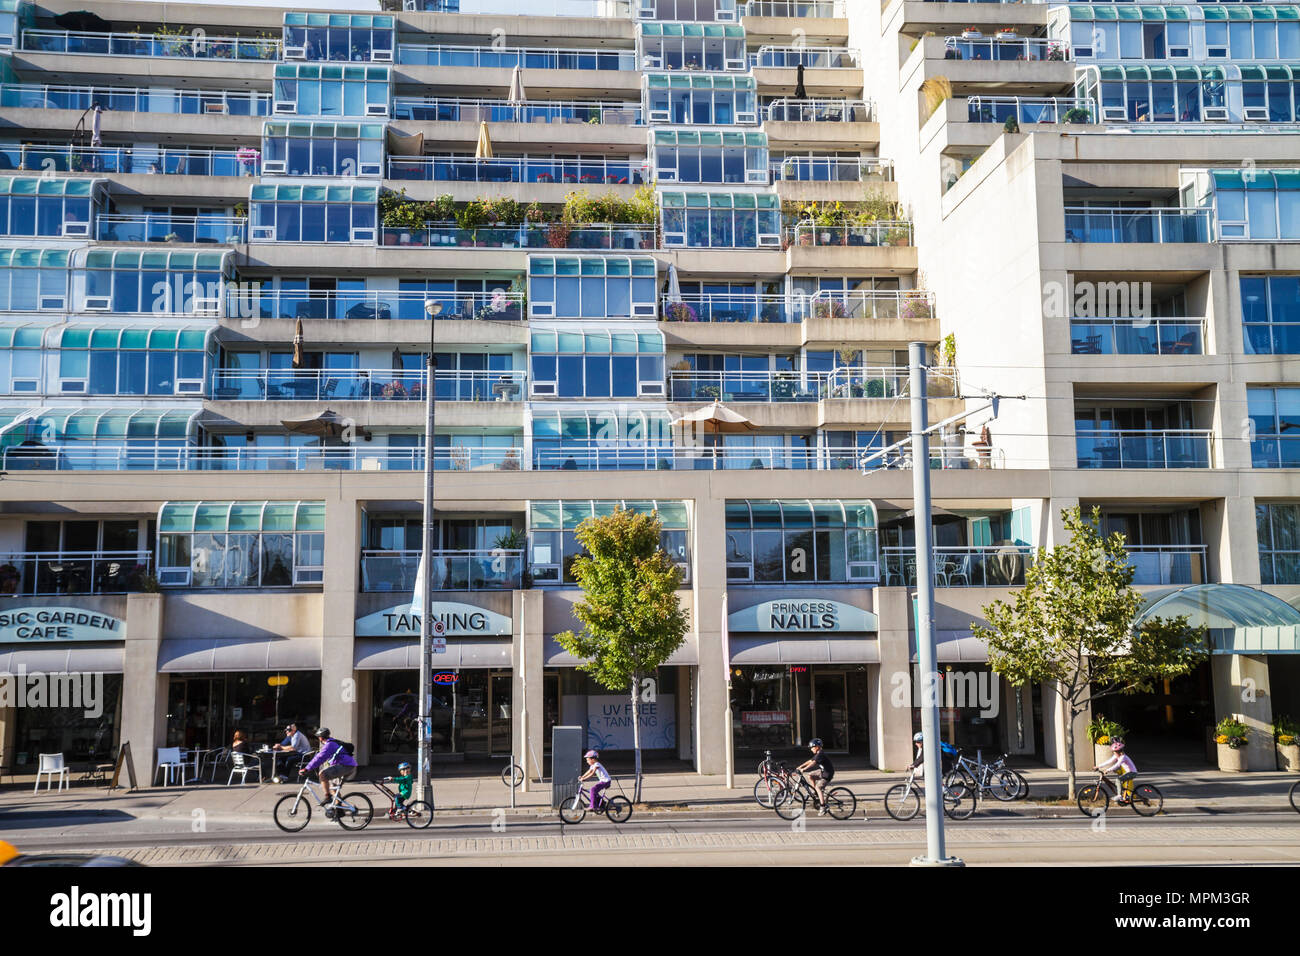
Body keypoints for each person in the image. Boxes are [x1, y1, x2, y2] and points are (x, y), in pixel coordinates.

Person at [299, 727, 357, 814]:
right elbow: (325, 758)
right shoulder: (332, 743)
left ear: (320, 737)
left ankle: (327, 797)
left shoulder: (329, 745)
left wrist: (307, 768)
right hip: (348, 765)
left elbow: (319, 758)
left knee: (322, 774)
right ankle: (339, 810)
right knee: (332, 788)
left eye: (318, 737)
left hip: (346, 766)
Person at [796, 738, 834, 815]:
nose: (811, 749)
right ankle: (816, 793)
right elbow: (810, 761)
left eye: (812, 747)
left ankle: (823, 807)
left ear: (817, 747)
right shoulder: (818, 754)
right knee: (810, 775)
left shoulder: (820, 754)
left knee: (818, 787)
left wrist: (804, 769)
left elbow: (813, 763)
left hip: (828, 773)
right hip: (823, 771)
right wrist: (800, 766)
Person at [1096, 738, 1138, 804]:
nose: (1114, 753)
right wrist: (1098, 766)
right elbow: (1109, 761)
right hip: (1128, 772)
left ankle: (1119, 796)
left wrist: (1108, 770)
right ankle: (1124, 797)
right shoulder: (1117, 756)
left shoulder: (1123, 757)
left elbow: (1117, 765)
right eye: (1113, 752)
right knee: (1118, 783)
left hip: (1132, 773)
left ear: (1119, 752)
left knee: (1118, 780)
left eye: (1114, 752)